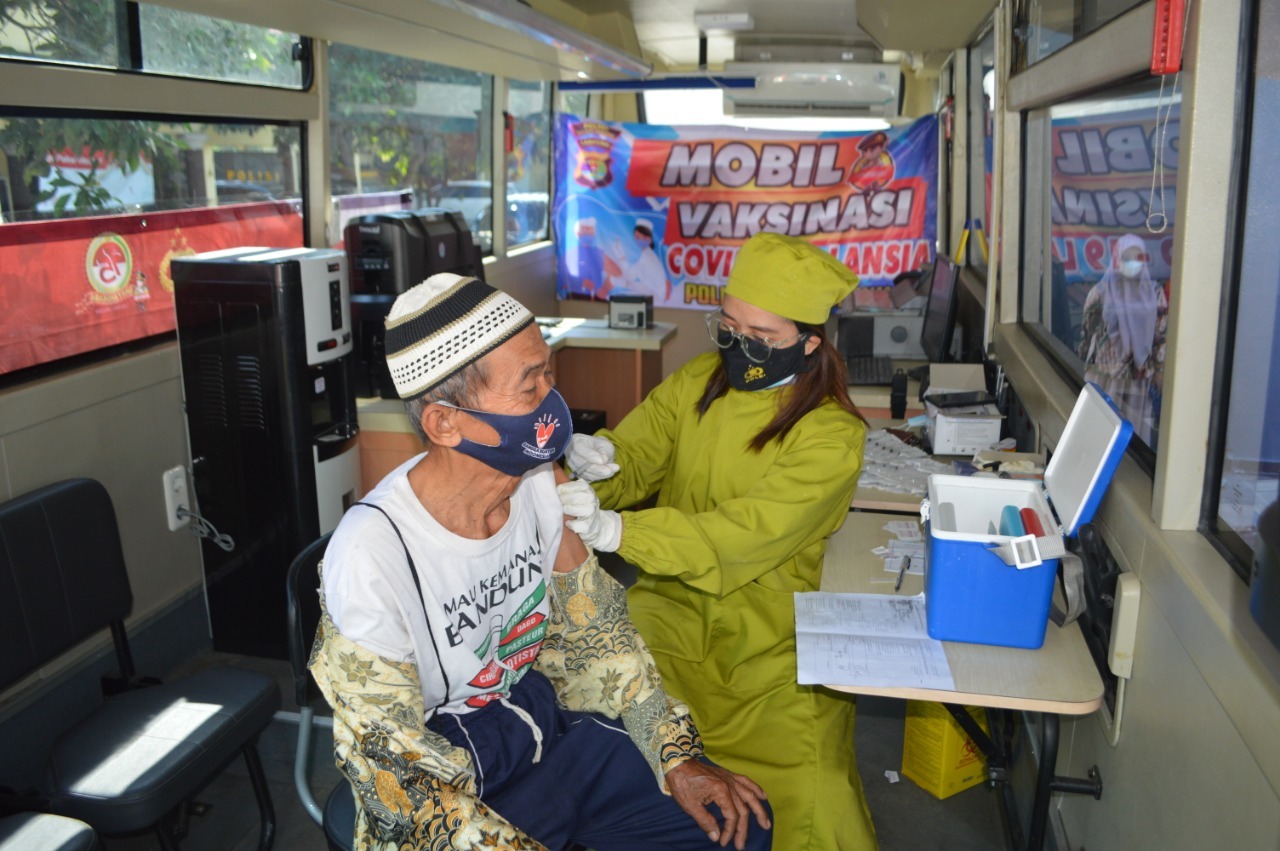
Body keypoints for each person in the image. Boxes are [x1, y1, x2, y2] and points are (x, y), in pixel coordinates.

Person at [310, 272, 773, 851]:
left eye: (548, 373)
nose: (552, 402)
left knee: (739, 826)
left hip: (538, 726)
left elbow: (596, 633)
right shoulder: (370, 556)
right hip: (448, 774)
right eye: (529, 387)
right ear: (444, 422)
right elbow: (403, 779)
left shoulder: (535, 480)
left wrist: (673, 751)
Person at [558, 232, 878, 850]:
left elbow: (745, 534)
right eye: (728, 325)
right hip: (671, 611)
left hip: (772, 641)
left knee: (809, 802)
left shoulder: (831, 436)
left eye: (765, 337)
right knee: (617, 746)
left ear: (811, 343)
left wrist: (620, 530)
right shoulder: (702, 378)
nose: (739, 346)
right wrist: (602, 467)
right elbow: (642, 451)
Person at [1076, 232, 1168, 433]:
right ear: (1117, 259)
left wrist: (1159, 370)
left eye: (1138, 258)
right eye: (1127, 258)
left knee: (1134, 434)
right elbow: (1087, 332)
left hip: (1138, 378)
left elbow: (1160, 336)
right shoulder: (1100, 292)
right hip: (1105, 376)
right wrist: (1081, 365)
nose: (1133, 263)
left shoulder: (1154, 293)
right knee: (1101, 429)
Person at [607, 218, 670, 302]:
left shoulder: (648, 258)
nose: (641, 240)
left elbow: (630, 276)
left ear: (650, 238)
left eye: (644, 237)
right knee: (623, 284)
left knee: (623, 286)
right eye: (638, 237)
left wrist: (621, 258)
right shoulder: (646, 255)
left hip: (656, 299)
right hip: (654, 295)